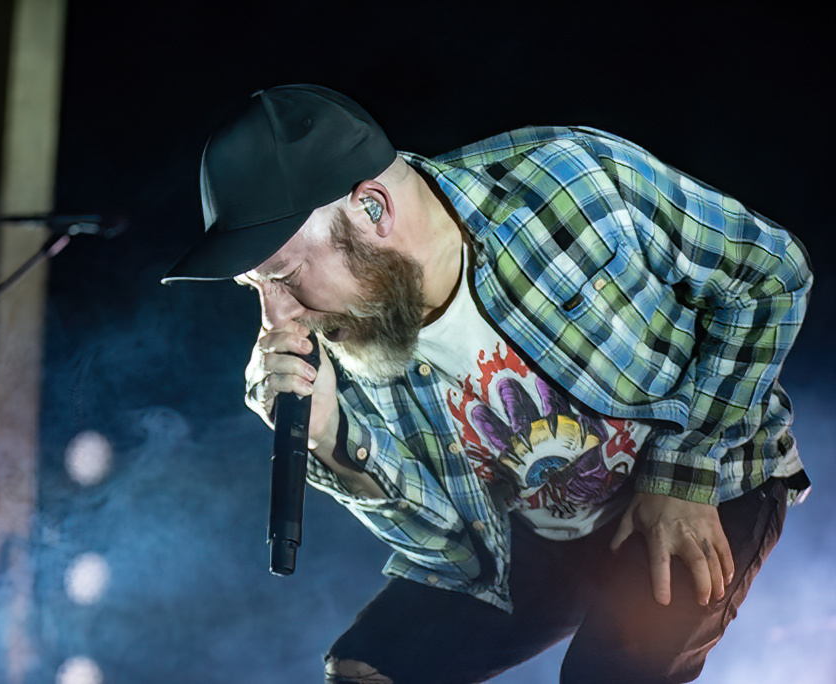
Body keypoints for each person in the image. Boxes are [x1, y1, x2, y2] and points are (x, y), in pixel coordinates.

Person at [161, 85, 813, 683]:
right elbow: (451, 553)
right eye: (255, 287)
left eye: (284, 276)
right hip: (533, 535)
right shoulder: (340, 344)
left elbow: (769, 275)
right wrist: (331, 438)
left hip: (708, 480)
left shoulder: (570, 182)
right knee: (364, 672)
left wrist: (683, 473)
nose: (278, 319)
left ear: (372, 207)